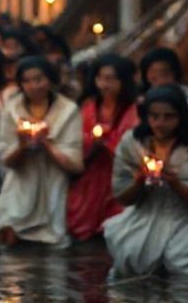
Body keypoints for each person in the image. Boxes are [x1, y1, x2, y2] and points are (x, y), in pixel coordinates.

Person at [104, 85, 188, 278]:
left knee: (182, 265)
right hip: (143, 215)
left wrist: (175, 183)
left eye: (169, 117)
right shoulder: (133, 143)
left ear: (181, 117)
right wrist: (138, 181)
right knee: (129, 254)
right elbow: (122, 195)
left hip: (184, 218)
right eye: (155, 117)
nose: (161, 123)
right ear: (146, 116)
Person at [0, 56, 83, 247]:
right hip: (21, 179)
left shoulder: (68, 111)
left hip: (53, 179)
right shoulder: (12, 110)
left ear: (50, 80)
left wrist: (47, 144)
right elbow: (5, 156)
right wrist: (23, 146)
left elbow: (75, 161)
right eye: (27, 81)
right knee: (9, 231)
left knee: (51, 240)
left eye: (39, 79)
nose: (34, 86)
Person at [67, 54, 140, 241]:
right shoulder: (89, 106)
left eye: (111, 79)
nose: (105, 84)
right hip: (92, 171)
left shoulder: (133, 109)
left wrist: (109, 142)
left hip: (117, 172)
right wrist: (92, 141)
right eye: (101, 78)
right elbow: (78, 135)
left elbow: (132, 140)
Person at [139, 47, 188, 133]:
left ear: (174, 73)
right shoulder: (140, 101)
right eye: (153, 72)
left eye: (164, 73)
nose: (159, 79)